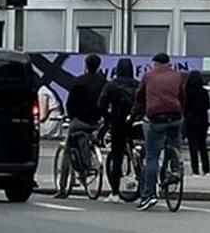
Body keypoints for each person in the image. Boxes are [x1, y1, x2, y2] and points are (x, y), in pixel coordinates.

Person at [132, 51, 186, 208]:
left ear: (155, 63)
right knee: (174, 145)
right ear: (169, 63)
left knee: (152, 157)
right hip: (175, 116)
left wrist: (135, 114)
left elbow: (140, 97)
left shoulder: (148, 76)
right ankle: (175, 170)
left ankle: (148, 195)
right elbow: (182, 96)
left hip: (157, 118)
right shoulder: (178, 75)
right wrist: (181, 110)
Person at [64, 53, 109, 178]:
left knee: (67, 149)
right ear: (99, 66)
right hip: (96, 122)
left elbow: (70, 103)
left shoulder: (79, 81)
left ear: (86, 65)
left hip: (80, 121)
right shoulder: (103, 82)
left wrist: (71, 116)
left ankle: (62, 184)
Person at [102, 57, 139, 196]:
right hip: (135, 122)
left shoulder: (112, 85)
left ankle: (115, 192)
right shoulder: (137, 84)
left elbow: (101, 104)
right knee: (141, 150)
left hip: (118, 122)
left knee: (117, 156)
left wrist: (108, 119)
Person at [183, 66, 210, 176]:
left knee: (192, 147)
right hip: (203, 121)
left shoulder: (187, 92)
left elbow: (184, 108)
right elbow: (207, 106)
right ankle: (207, 169)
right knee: (203, 146)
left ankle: (195, 170)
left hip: (191, 122)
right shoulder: (204, 92)